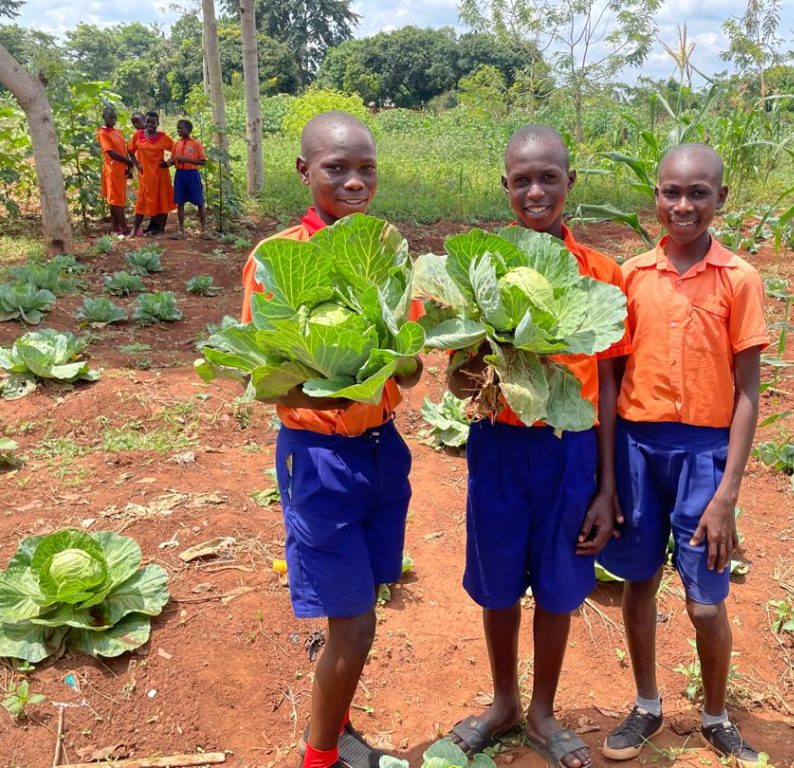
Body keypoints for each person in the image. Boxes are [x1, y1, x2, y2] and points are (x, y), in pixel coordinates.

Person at [240, 111, 423, 768]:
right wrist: (335, 382)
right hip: (318, 460)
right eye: (336, 168)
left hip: (382, 450)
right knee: (355, 626)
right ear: (303, 171)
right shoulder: (277, 259)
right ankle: (318, 758)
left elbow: (411, 360)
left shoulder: (385, 250)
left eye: (365, 168)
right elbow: (266, 380)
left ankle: (337, 727)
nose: (354, 181)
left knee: (364, 599)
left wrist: (392, 362)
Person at [446, 124, 631, 768]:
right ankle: (503, 703)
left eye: (548, 177)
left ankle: (544, 709)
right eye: (521, 179)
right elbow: (459, 370)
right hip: (498, 443)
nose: (535, 191)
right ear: (505, 186)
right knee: (498, 582)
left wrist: (607, 488)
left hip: (571, 450)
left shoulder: (600, 274)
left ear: (569, 183)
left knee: (558, 584)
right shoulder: (478, 268)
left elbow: (606, 386)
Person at [596, 144, 768, 768]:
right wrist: (609, 479)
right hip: (637, 449)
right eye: (672, 192)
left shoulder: (739, 279)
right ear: (657, 197)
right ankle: (646, 705)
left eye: (699, 193)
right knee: (638, 585)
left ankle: (716, 715)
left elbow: (749, 391)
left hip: (704, 456)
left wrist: (727, 494)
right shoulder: (631, 276)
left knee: (704, 601)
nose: (683, 205)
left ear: (720, 199)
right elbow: (611, 383)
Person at [128, 111, 174, 237]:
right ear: (145, 122)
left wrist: (169, 163)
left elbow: (176, 148)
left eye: (153, 122)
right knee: (141, 203)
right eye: (148, 122)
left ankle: (160, 230)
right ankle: (134, 230)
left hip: (160, 175)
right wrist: (137, 165)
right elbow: (130, 150)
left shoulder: (163, 137)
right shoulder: (138, 135)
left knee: (162, 200)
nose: (150, 125)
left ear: (158, 123)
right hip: (145, 176)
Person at [96, 106, 131, 236]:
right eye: (110, 117)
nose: (113, 120)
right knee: (115, 200)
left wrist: (129, 167)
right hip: (112, 170)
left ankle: (115, 228)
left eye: (115, 117)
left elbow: (125, 151)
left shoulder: (118, 133)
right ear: (104, 117)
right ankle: (124, 228)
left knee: (118, 198)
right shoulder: (102, 133)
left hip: (121, 171)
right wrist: (128, 162)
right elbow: (110, 153)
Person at [171, 119, 209, 240]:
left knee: (200, 202)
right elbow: (173, 160)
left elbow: (202, 161)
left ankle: (204, 230)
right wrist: (166, 164)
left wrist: (187, 160)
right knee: (180, 202)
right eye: (177, 128)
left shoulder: (196, 144)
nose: (179, 130)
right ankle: (181, 231)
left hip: (192, 174)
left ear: (189, 130)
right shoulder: (176, 144)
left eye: (181, 128)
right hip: (180, 175)